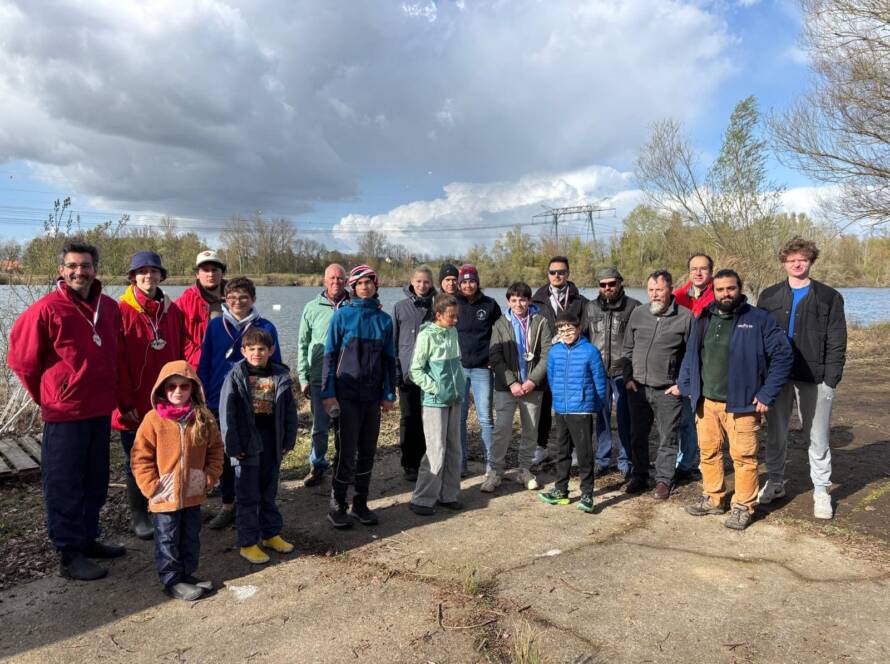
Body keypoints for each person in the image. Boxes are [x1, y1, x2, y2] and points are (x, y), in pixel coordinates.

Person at [7, 241, 125, 580]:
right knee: (64, 484)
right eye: (72, 266)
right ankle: (69, 553)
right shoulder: (46, 310)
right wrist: (49, 397)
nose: (79, 272)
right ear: (62, 270)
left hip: (99, 410)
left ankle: (88, 539)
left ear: (95, 269)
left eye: (85, 265)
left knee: (96, 480)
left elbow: (114, 355)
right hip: (65, 414)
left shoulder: (110, 308)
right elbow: (22, 362)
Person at [676, 270, 792, 530]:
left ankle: (743, 506)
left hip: (742, 404)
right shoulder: (704, 317)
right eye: (720, 289)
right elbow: (692, 355)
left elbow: (783, 356)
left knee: (744, 457)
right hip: (706, 402)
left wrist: (766, 394)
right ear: (713, 291)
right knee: (708, 452)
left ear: (740, 289)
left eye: (730, 288)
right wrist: (686, 385)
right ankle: (713, 498)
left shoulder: (758, 319)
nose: (725, 294)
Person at [757, 238, 847, 519]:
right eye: (792, 259)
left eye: (803, 259)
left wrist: (830, 380)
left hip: (815, 377)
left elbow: (837, 341)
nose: (797, 263)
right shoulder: (769, 296)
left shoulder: (829, 297)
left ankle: (821, 489)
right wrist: (761, 378)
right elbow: (758, 339)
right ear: (784, 262)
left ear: (811, 261)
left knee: (817, 436)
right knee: (776, 433)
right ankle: (775, 481)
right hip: (777, 377)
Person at [130, 360, 224, 601]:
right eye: (172, 387)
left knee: (190, 535)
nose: (178, 392)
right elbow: (140, 457)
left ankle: (187, 573)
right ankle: (171, 580)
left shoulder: (203, 418)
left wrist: (209, 476)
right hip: (165, 495)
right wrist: (151, 486)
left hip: (193, 491)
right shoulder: (153, 420)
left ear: (193, 388)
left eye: (184, 386)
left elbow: (215, 450)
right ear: (162, 389)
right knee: (168, 537)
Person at [198, 277, 282, 530]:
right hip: (219, 399)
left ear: (253, 299)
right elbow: (205, 362)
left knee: (255, 452)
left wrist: (272, 399)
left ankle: (253, 504)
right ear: (225, 298)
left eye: (243, 297)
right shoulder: (215, 326)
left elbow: (275, 365)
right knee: (226, 454)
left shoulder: (266, 326)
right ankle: (227, 505)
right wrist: (200, 395)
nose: (238, 302)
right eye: (232, 297)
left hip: (256, 399)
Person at [113, 251, 185, 540]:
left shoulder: (172, 310)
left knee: (166, 455)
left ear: (161, 276)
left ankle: (163, 504)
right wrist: (124, 402)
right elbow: (115, 362)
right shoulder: (120, 310)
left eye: (154, 271)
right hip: (133, 401)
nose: (148, 276)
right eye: (142, 271)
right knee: (138, 458)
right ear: (133, 276)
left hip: (167, 401)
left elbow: (179, 354)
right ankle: (139, 515)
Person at [321, 265, 396, 528]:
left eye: (369, 283)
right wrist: (328, 393)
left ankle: (360, 503)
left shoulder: (384, 320)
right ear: (352, 287)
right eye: (360, 283)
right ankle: (337, 504)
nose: (365, 287)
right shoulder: (342, 316)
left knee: (367, 450)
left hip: (372, 398)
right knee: (346, 451)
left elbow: (389, 361)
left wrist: (389, 393)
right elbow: (329, 357)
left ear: (376, 286)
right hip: (346, 396)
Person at [220, 327, 298, 564]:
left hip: (271, 441)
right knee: (247, 495)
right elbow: (227, 415)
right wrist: (232, 446)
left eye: (262, 349)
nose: (257, 353)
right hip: (246, 444)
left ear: (271, 350)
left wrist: (288, 439)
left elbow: (290, 412)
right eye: (252, 349)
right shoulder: (235, 376)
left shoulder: (279, 375)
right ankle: (248, 542)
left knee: (268, 491)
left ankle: (271, 533)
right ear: (243, 351)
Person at [622, 270, 692, 499]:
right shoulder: (639, 313)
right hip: (638, 388)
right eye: (651, 290)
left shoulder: (685, 317)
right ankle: (639, 475)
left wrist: (682, 384)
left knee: (667, 437)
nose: (655, 295)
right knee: (638, 435)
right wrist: (628, 377)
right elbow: (628, 348)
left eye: (659, 290)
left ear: (670, 289)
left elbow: (692, 355)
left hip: (667, 390)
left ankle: (663, 480)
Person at [485, 282, 552, 492]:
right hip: (507, 388)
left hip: (533, 387)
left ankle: (524, 469)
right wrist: (512, 382)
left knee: (530, 430)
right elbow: (495, 356)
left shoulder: (540, 322)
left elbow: (547, 353)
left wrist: (532, 380)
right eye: (514, 300)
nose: (518, 304)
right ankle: (495, 471)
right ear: (508, 302)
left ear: (529, 300)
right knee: (501, 429)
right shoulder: (500, 323)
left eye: (522, 299)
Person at [539, 311, 607, 513]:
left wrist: (597, 405)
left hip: (582, 409)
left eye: (570, 329)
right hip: (561, 408)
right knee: (562, 451)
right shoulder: (554, 351)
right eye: (562, 330)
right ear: (558, 332)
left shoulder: (590, 351)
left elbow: (599, 381)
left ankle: (587, 494)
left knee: (584, 453)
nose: (566, 333)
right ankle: (561, 490)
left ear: (578, 329)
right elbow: (551, 378)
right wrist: (559, 400)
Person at [407, 294, 467, 516]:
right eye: (451, 317)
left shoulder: (452, 331)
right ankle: (421, 499)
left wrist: (459, 386)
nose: (455, 320)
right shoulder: (426, 335)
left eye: (457, 316)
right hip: (435, 401)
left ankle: (448, 495)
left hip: (455, 398)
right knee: (436, 449)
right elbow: (415, 370)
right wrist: (436, 389)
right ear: (438, 315)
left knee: (454, 448)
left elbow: (456, 364)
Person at [530, 256, 587, 467]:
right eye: (553, 272)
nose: (557, 276)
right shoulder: (536, 300)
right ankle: (541, 447)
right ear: (548, 275)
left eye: (561, 272)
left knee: (569, 406)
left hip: (570, 360)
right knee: (543, 406)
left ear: (568, 274)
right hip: (545, 360)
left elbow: (585, 329)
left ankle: (572, 450)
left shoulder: (580, 301)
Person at [584, 267, 640, 478]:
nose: (607, 288)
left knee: (626, 417)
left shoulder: (633, 307)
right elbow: (584, 339)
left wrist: (633, 370)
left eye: (611, 283)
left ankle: (625, 460)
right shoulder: (589, 308)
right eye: (602, 284)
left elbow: (639, 340)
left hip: (623, 371)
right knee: (602, 417)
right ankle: (602, 459)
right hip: (598, 372)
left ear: (620, 282)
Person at [297, 263, 349, 487]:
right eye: (331, 278)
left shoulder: (354, 306)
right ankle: (317, 465)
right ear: (324, 280)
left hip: (348, 378)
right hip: (320, 377)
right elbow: (302, 344)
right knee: (319, 427)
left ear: (346, 281)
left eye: (339, 278)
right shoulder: (311, 307)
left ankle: (343, 466)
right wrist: (303, 377)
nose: (335, 282)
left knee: (346, 427)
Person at [672, 253, 716, 483]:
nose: (698, 273)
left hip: (709, 364)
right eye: (694, 269)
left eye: (703, 269)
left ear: (711, 272)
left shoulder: (718, 296)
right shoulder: (677, 296)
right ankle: (685, 462)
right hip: (682, 364)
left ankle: (706, 460)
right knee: (686, 417)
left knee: (705, 416)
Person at [455, 264, 501, 474]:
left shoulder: (490, 305)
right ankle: (461, 464)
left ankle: (491, 465)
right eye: (463, 281)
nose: (468, 285)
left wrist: (494, 357)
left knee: (485, 418)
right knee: (460, 418)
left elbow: (501, 332)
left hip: (483, 368)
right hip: (459, 369)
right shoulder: (452, 303)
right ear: (458, 283)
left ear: (477, 282)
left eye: (471, 281)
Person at [393, 266, 437, 481]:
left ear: (432, 283)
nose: (422, 285)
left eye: (426, 282)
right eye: (418, 281)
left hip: (431, 374)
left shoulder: (439, 306)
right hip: (408, 373)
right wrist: (396, 372)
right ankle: (409, 462)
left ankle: (428, 460)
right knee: (409, 418)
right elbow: (393, 342)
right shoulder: (400, 308)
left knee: (429, 418)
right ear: (411, 282)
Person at [177, 250, 227, 369]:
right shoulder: (183, 302)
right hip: (197, 366)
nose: (210, 274)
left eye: (214, 269)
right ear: (197, 274)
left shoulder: (237, 298)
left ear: (222, 273)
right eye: (205, 270)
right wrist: (198, 358)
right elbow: (177, 337)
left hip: (230, 366)